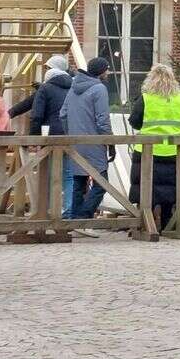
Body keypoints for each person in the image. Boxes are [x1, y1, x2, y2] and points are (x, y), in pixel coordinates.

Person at [128, 63, 180, 231]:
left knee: (146, 190)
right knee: (169, 190)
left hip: (147, 150)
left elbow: (135, 121)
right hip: (173, 151)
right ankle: (168, 223)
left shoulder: (146, 98)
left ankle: (146, 224)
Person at [58, 56, 113, 230]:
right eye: (107, 69)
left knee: (79, 182)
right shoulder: (99, 89)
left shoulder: (73, 87)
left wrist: (71, 135)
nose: (109, 72)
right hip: (94, 142)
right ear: (101, 71)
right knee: (101, 183)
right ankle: (83, 217)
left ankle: (74, 218)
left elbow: (63, 114)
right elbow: (102, 120)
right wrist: (110, 142)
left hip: (76, 142)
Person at [7, 53, 72, 138]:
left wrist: (33, 138)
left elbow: (36, 114)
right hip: (71, 134)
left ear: (53, 70)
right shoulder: (74, 87)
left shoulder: (45, 88)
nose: (46, 71)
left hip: (49, 134)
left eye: (48, 68)